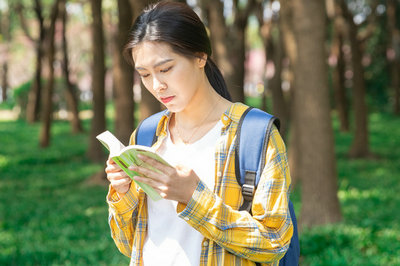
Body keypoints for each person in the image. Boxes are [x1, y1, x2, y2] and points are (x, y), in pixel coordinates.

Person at [105, 1, 293, 265]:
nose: (157, 85)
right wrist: (122, 193)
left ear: (200, 56)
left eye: (165, 69)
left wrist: (193, 197)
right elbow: (129, 245)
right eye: (145, 74)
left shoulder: (255, 135)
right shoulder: (147, 136)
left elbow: (274, 242)